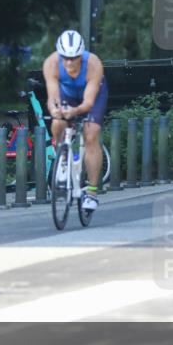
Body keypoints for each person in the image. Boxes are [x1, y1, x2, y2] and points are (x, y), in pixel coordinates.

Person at [42, 30, 108, 211]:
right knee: (57, 122)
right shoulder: (51, 64)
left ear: (82, 54)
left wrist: (75, 111)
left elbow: (88, 103)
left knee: (91, 133)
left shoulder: (93, 64)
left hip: (91, 96)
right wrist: (56, 109)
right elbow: (53, 96)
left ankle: (92, 193)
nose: (69, 62)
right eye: (66, 58)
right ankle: (63, 160)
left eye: (74, 57)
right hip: (68, 94)